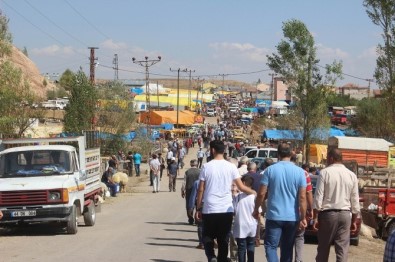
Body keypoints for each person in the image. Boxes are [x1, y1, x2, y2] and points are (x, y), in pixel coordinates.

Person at [195, 140, 256, 262]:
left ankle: (211, 256)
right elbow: (241, 187)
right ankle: (222, 259)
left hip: (210, 208)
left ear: (212, 150)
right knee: (224, 239)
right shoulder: (231, 166)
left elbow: (201, 189)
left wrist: (198, 208)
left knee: (207, 237)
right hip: (226, 209)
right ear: (224, 150)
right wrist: (254, 193)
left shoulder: (206, 167)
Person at [253, 143, 307, 262]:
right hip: (292, 217)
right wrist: (303, 217)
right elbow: (302, 197)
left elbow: (261, 193)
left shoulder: (270, 170)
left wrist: (256, 209)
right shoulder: (300, 172)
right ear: (292, 153)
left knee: (271, 247)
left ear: (277, 154)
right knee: (287, 249)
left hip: (274, 216)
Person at [313, 148, 360, 262]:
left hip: (328, 215)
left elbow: (319, 197)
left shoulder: (325, 173)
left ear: (331, 158)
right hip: (345, 215)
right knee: (342, 250)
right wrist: (354, 220)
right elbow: (355, 200)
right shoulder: (351, 175)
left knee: (323, 249)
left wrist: (315, 218)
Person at [291, 157, 313, 262]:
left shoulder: (278, 171)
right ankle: (298, 259)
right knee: (299, 236)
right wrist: (310, 209)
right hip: (299, 211)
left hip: (284, 212)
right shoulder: (304, 173)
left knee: (286, 238)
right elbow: (307, 193)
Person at [233, 176, 259, 262]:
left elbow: (234, 210)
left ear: (243, 183)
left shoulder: (238, 197)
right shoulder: (255, 197)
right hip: (252, 225)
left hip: (241, 225)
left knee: (241, 247)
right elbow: (259, 212)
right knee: (251, 246)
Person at [181, 159, 201, 225]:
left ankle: (190, 219)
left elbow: (184, 182)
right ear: (197, 164)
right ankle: (197, 219)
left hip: (189, 190)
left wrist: (182, 191)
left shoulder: (187, 172)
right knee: (198, 205)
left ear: (190, 164)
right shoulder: (200, 171)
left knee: (189, 205)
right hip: (198, 191)